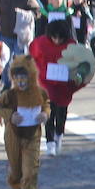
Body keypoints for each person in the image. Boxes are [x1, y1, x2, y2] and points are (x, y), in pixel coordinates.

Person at [0, 57, 50, 189]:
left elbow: (46, 104)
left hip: (32, 138)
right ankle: (15, 184)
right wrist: (10, 115)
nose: (21, 81)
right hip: (14, 137)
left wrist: (45, 115)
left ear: (31, 77)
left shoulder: (39, 93)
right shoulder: (10, 95)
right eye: (17, 78)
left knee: (30, 174)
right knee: (16, 171)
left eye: (24, 78)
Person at [30, 19, 87, 158]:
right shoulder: (41, 43)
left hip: (64, 85)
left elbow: (80, 63)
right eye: (54, 37)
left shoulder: (71, 45)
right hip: (47, 83)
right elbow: (33, 56)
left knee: (61, 112)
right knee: (49, 112)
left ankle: (59, 134)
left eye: (59, 38)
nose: (56, 40)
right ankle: (49, 143)